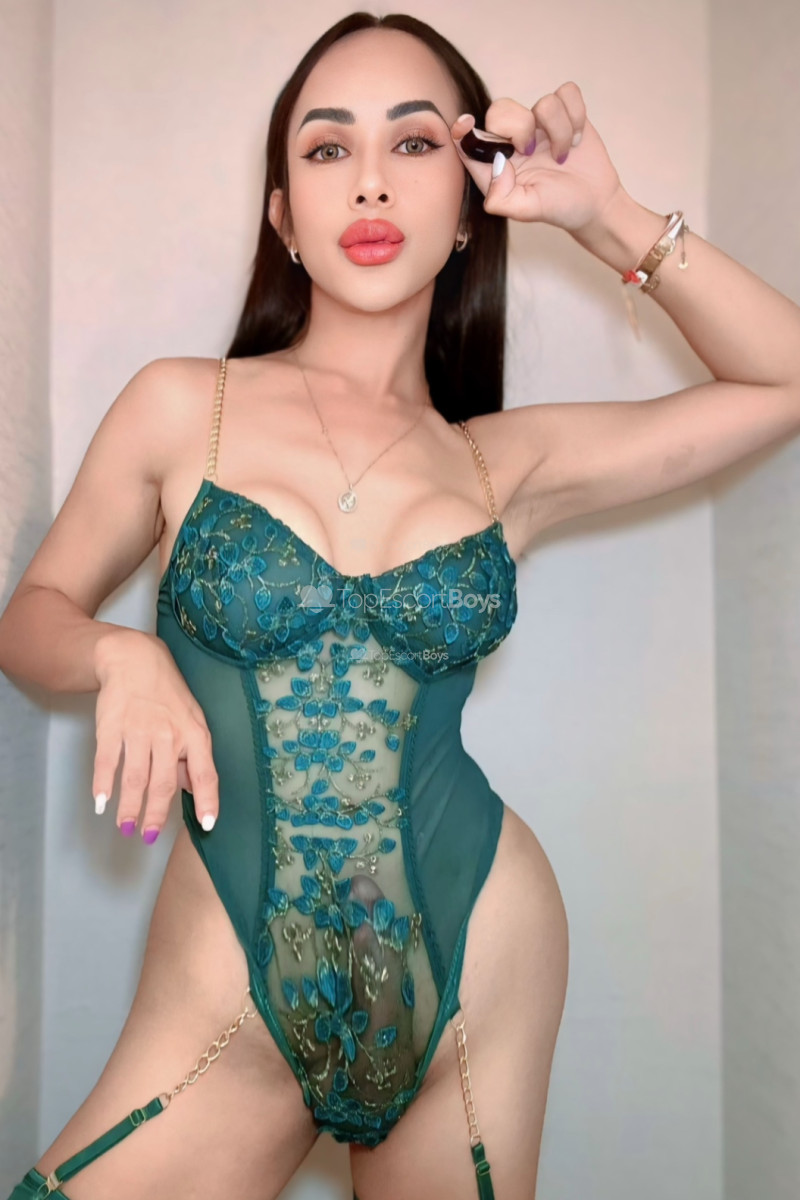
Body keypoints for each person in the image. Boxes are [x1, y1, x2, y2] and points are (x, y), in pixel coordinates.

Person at [3, 10, 800, 1200]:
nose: (369, 180)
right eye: (328, 148)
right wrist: (122, 657)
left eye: (415, 143)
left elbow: (782, 376)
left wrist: (603, 213)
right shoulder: (182, 408)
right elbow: (33, 616)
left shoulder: (500, 462)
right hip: (226, 1001)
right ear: (282, 216)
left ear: (470, 202)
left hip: (481, 968)